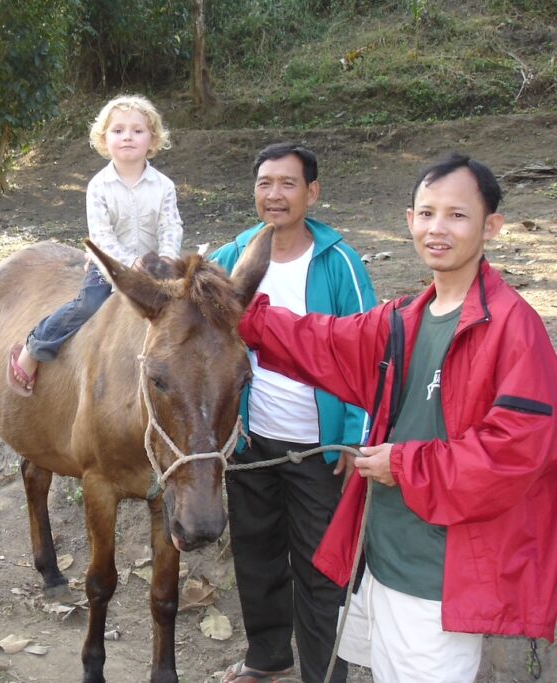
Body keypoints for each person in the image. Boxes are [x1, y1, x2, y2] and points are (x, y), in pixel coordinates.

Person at [238, 153, 557, 682]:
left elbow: (515, 453)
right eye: (427, 213)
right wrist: (236, 311)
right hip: (380, 558)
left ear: (491, 227)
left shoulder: (513, 330)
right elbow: (322, 341)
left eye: (457, 215)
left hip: (439, 577)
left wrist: (405, 466)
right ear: (409, 220)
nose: (438, 228)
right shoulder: (404, 320)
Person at [210, 143, 375, 683]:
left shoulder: (338, 262)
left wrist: (356, 438)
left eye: (287, 183)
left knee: (322, 566)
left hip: (321, 449)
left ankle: (324, 672)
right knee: (256, 555)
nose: (274, 195)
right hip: (251, 442)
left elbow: (369, 353)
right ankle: (268, 656)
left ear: (312, 193)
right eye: (264, 183)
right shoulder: (233, 259)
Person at [8, 94, 183, 395]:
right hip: (108, 269)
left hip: (156, 269)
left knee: (185, 311)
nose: (127, 136)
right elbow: (101, 237)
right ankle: (35, 346)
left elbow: (171, 225)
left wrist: (167, 258)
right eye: (118, 131)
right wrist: (130, 264)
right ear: (104, 139)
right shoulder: (99, 186)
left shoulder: (164, 186)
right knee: (87, 304)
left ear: (152, 139)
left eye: (137, 131)